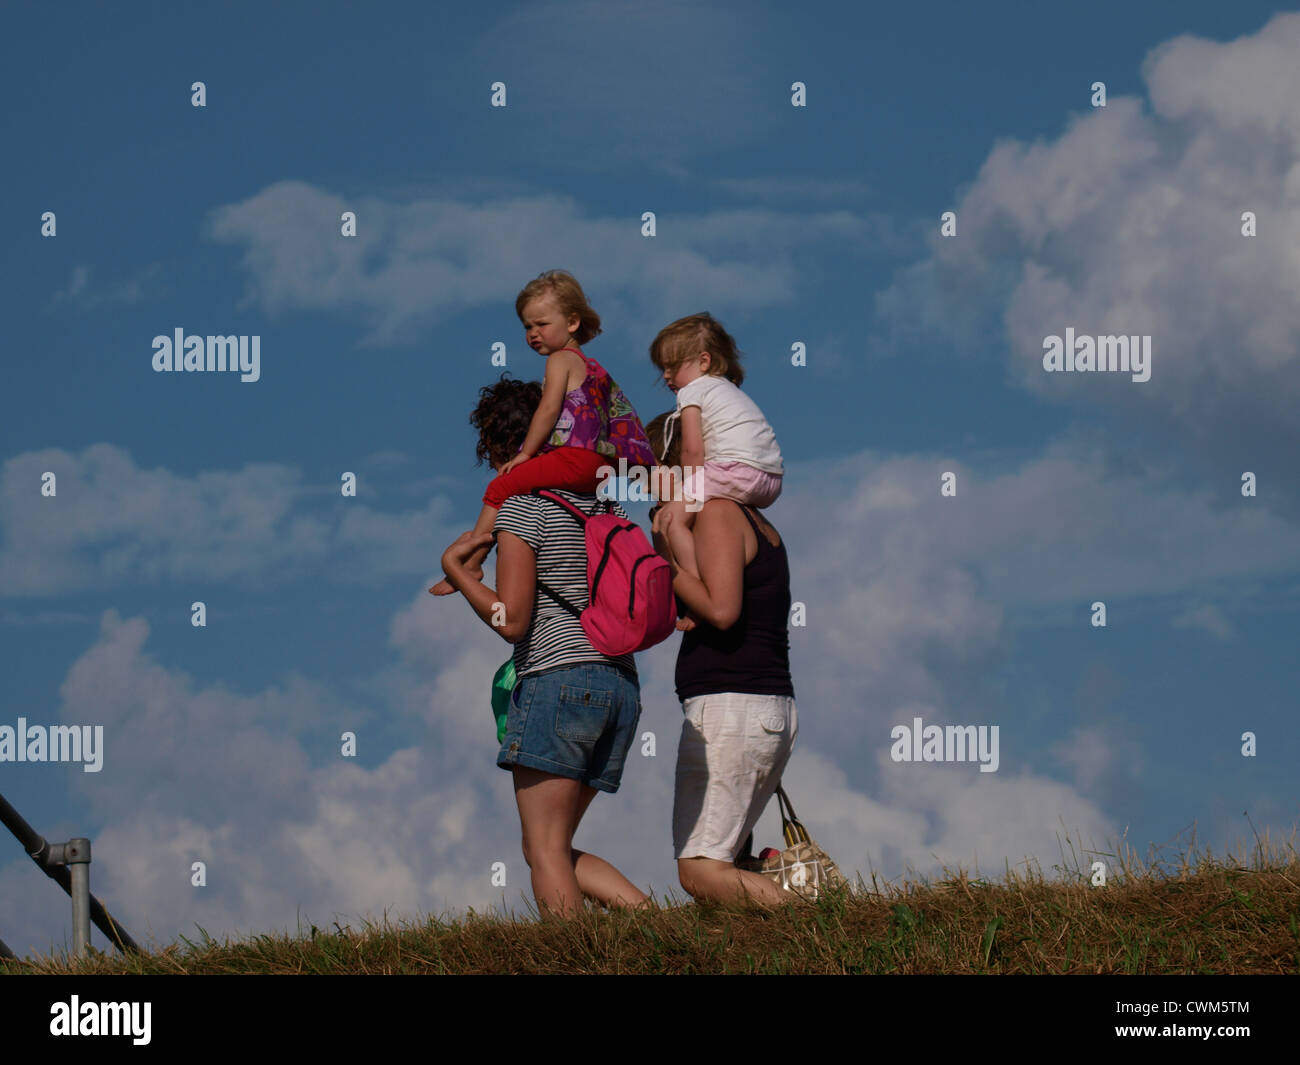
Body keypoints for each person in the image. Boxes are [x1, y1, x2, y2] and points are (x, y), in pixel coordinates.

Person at [438, 374, 650, 918]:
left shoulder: (522, 510)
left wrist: (459, 575)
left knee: (545, 849)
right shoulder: (604, 509)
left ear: (495, 446)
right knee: (545, 847)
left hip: (560, 680)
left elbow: (512, 622)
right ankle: (654, 924)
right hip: (620, 687)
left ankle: (573, 959)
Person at [647, 409, 798, 906]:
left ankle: (824, 932)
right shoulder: (749, 517)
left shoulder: (717, 513)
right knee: (728, 864)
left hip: (733, 708)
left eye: (650, 474)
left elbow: (723, 610)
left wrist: (657, 567)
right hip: (756, 705)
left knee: (700, 871)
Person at [430, 270, 656, 595]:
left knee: (500, 487)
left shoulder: (559, 360)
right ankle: (476, 556)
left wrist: (525, 453)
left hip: (576, 458)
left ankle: (472, 562)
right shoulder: (593, 368)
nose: (533, 333)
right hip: (599, 467)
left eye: (541, 324)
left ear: (573, 322)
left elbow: (548, 410)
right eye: (527, 327)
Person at [646, 313, 785, 583]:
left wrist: (686, 490)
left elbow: (693, 450)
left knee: (671, 521)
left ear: (704, 361)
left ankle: (701, 586)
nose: (666, 376)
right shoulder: (729, 390)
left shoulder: (692, 391)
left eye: (672, 366)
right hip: (770, 480)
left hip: (734, 471)